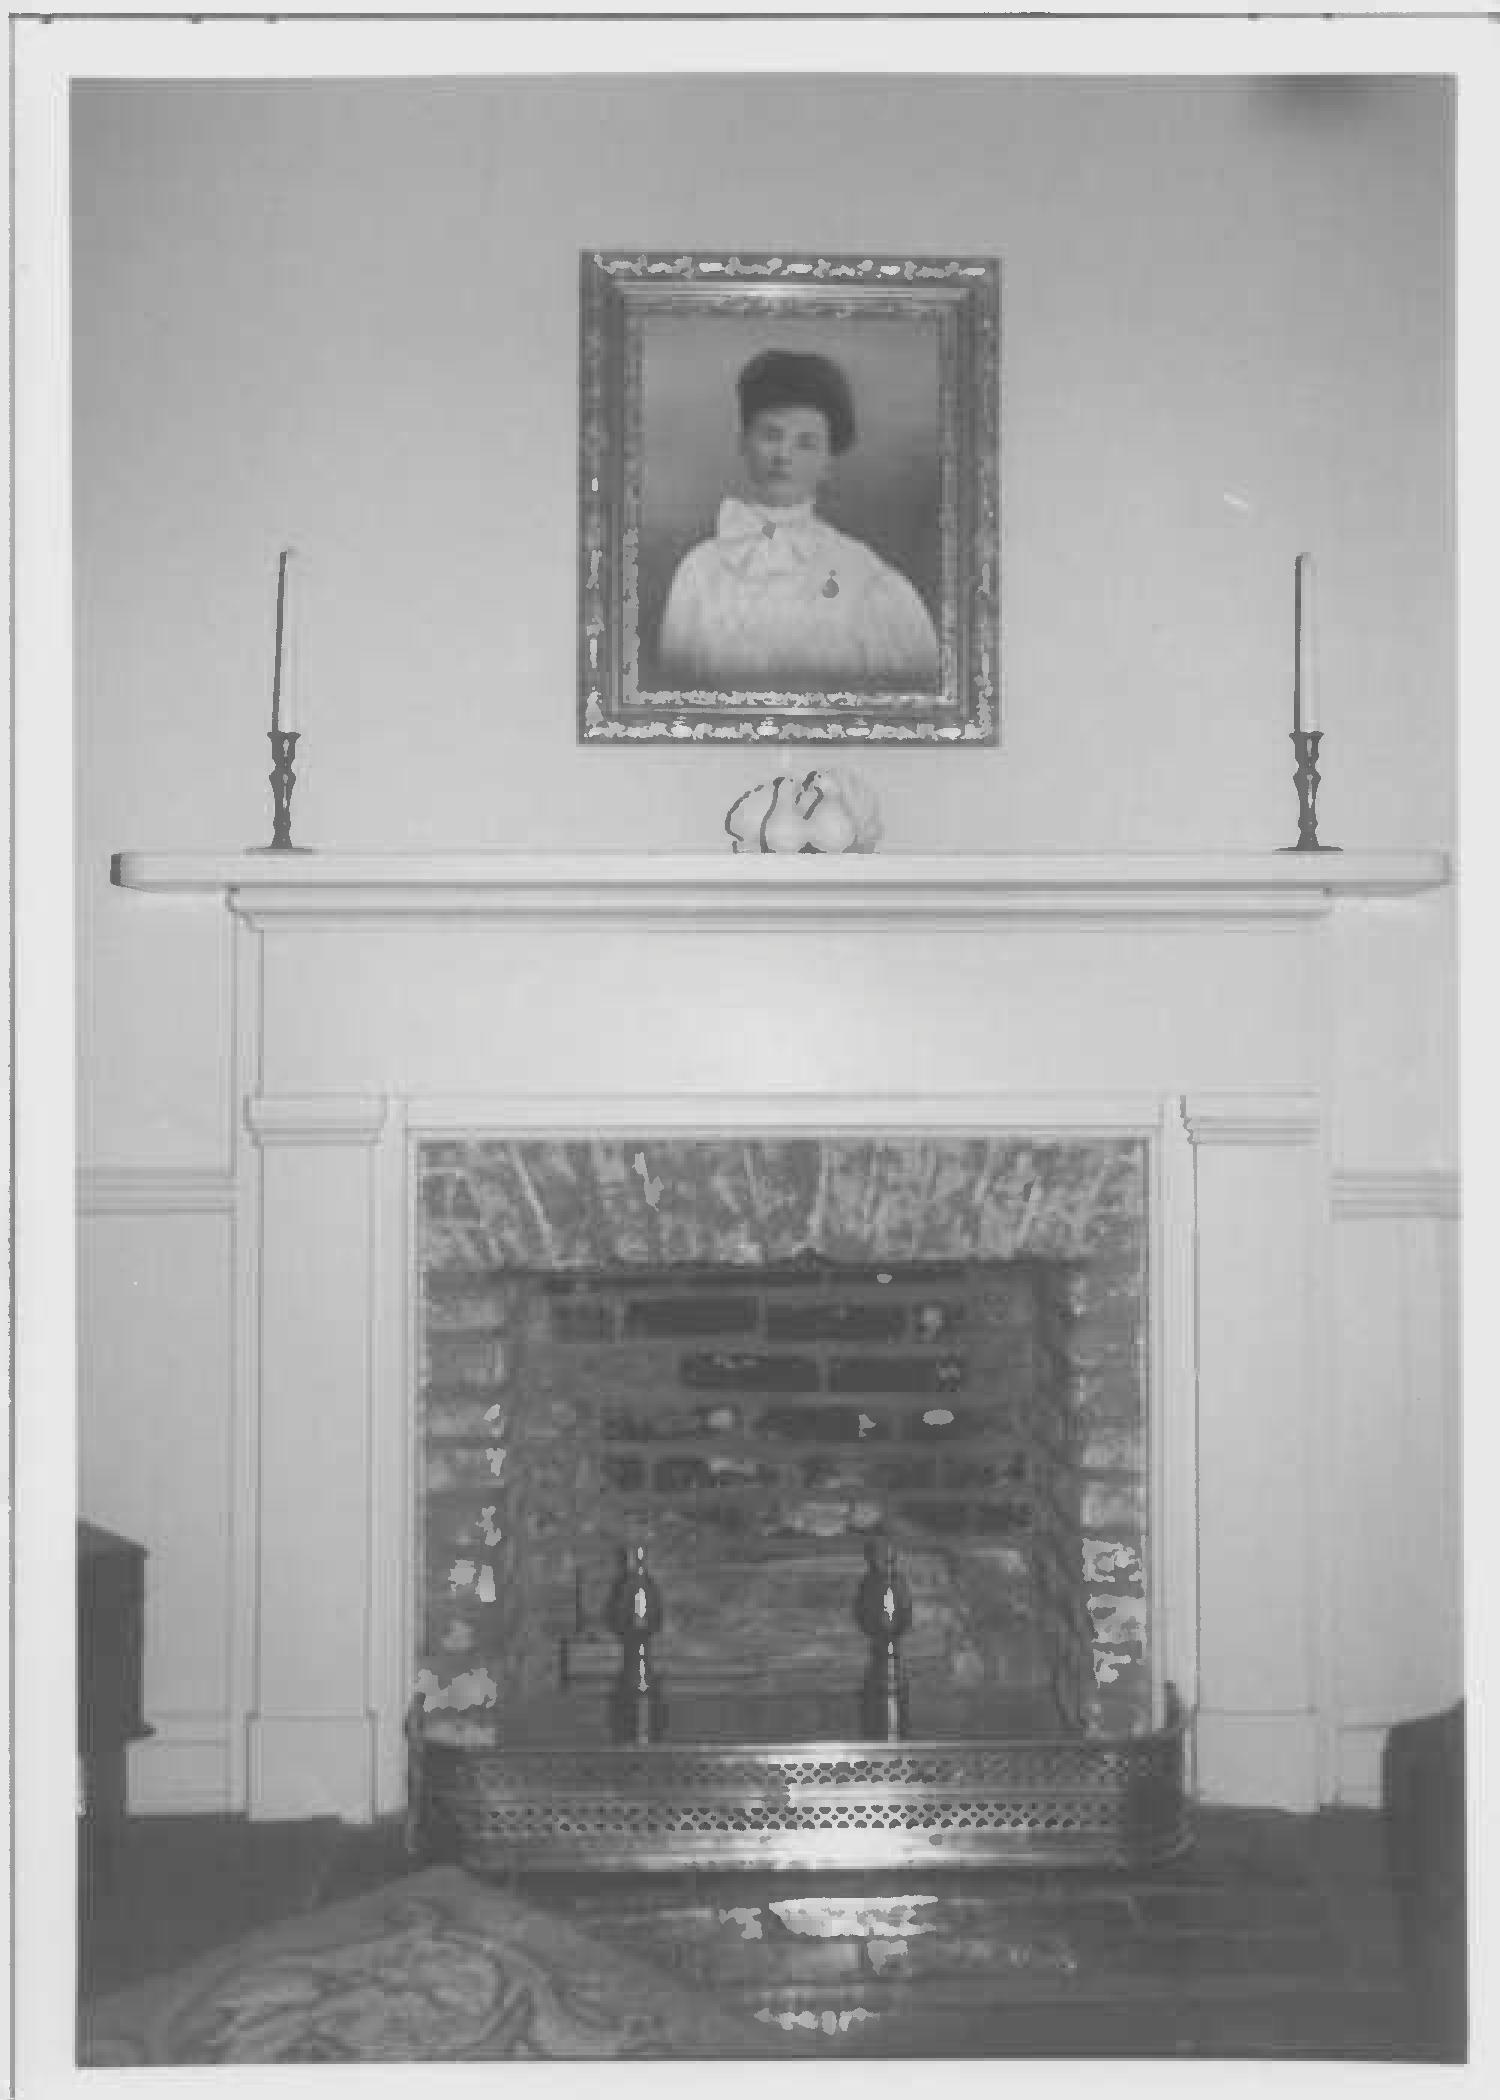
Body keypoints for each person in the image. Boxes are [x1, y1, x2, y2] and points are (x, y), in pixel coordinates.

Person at [656, 348, 940, 692]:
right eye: (771, 435)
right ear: (743, 443)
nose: (783, 456)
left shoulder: (867, 579)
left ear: (828, 463)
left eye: (806, 443)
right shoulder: (698, 570)